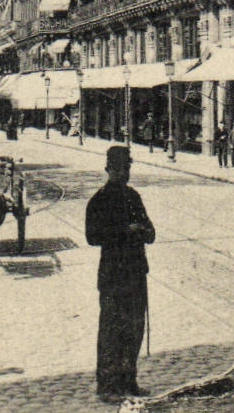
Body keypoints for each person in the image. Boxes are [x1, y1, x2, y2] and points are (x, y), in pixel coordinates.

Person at [85, 145, 156, 402]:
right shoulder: (99, 200)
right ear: (108, 169)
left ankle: (129, 380)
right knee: (112, 328)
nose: (124, 173)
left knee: (135, 328)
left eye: (127, 168)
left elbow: (151, 231)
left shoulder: (134, 197)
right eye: (119, 169)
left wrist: (144, 231)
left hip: (135, 272)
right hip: (113, 274)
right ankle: (106, 385)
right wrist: (127, 230)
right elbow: (92, 236)